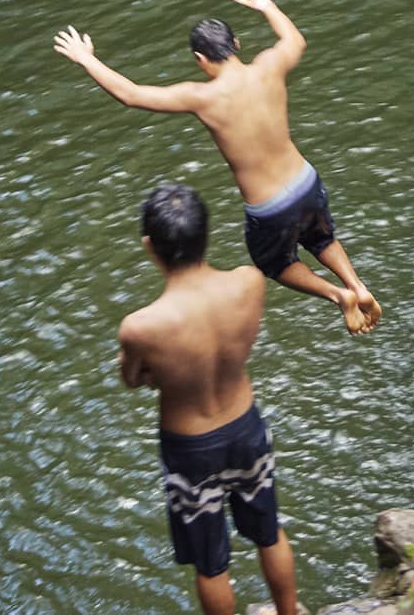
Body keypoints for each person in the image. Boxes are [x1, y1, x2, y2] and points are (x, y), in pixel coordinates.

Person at [54, 0, 381, 334]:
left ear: (200, 59)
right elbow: (295, 41)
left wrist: (87, 59)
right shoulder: (269, 65)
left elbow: (131, 95)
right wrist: (266, 4)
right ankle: (357, 285)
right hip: (306, 180)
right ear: (236, 44)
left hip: (270, 207)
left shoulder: (202, 97)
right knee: (321, 238)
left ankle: (339, 296)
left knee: (276, 262)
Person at [119, 182, 302, 615]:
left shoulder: (142, 326)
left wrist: (157, 370)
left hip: (191, 449)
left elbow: (131, 378)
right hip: (245, 425)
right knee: (269, 533)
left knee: (210, 564)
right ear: (205, 235)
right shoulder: (249, 282)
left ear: (150, 247)